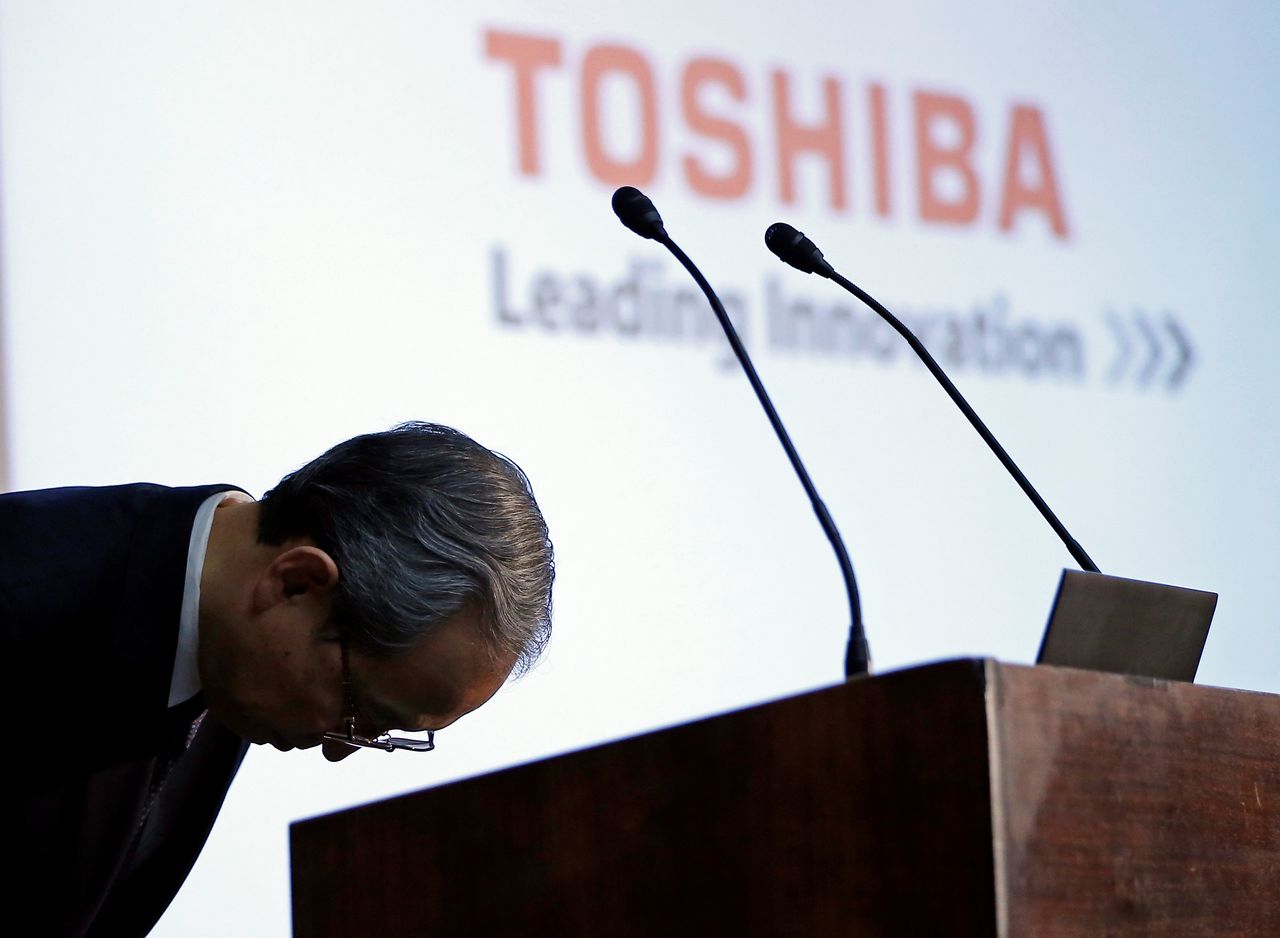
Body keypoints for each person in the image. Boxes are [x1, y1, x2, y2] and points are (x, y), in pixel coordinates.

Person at [1, 422, 555, 937]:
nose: (339, 749)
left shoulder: (230, 639)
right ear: (296, 583)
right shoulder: (26, 588)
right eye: (359, 711)